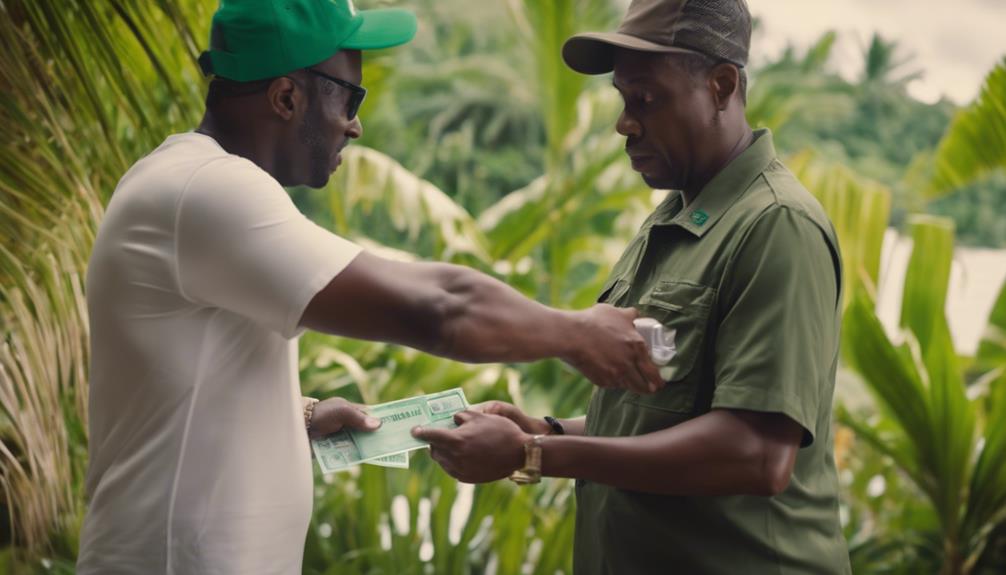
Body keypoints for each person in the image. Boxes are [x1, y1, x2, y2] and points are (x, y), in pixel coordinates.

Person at [75, 1, 664, 573]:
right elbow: (437, 309)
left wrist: (295, 415)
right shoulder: (208, 191)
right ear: (286, 97)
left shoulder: (189, 183)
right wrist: (576, 331)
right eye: (350, 97)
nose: (355, 124)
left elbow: (180, 378)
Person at [414, 0, 852, 573]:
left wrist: (533, 455)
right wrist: (544, 428)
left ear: (721, 86)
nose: (626, 122)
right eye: (624, 99)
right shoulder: (673, 221)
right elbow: (659, 415)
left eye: (647, 99)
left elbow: (757, 453)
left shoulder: (776, 226)